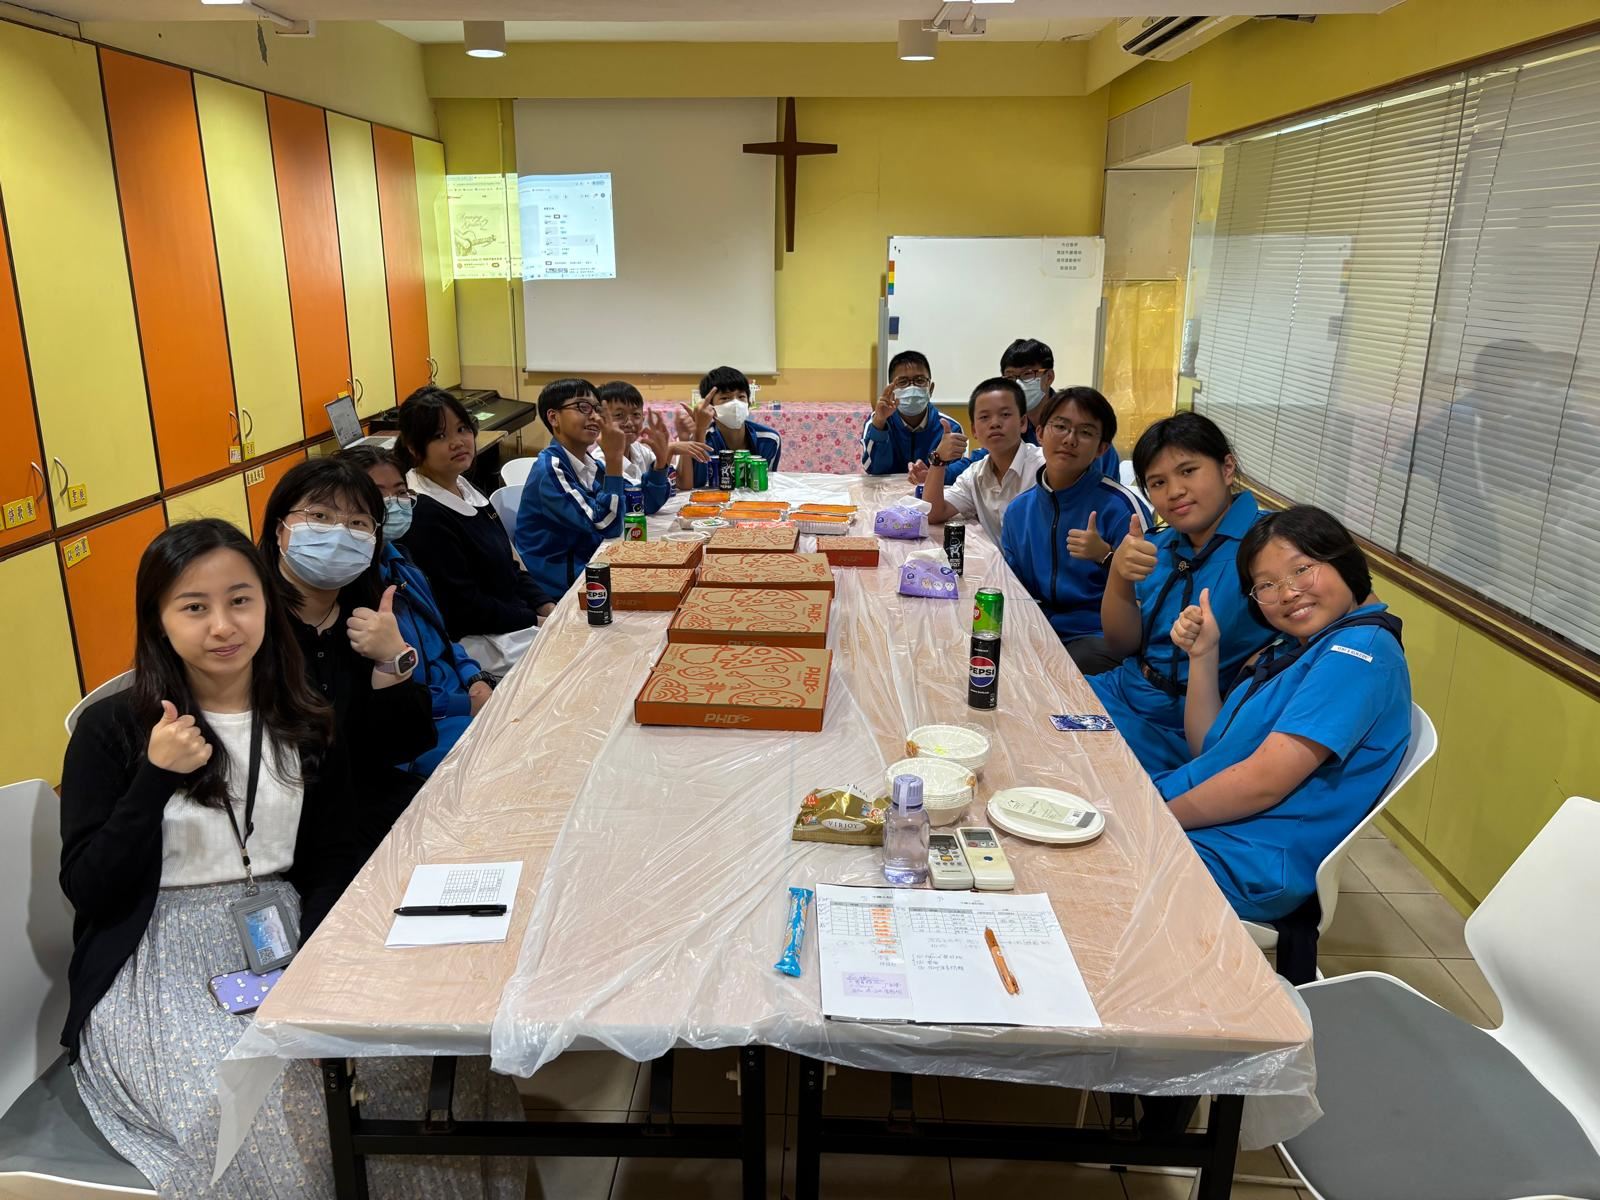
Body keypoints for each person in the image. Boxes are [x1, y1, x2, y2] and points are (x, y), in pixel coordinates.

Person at [60, 519, 521, 1198]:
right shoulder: (116, 730)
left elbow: (332, 854)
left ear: (267, 606)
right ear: (158, 621)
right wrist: (154, 779)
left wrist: (316, 954)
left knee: (428, 1057)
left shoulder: (303, 715)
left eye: (240, 601)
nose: (223, 626)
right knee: (272, 1109)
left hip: (287, 927)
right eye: (194, 607)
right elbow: (90, 888)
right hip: (156, 959)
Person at [1157, 506, 1412, 922]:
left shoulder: (1355, 655)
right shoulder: (1300, 645)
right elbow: (1209, 748)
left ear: (1343, 561)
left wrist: (1154, 820)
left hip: (1242, 860)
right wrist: (1203, 655)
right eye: (1267, 585)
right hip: (1212, 829)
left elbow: (1263, 784)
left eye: (1302, 570)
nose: (1289, 593)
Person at [257, 458, 437, 849]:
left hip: (372, 815)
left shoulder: (369, 618)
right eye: (319, 516)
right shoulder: (249, 627)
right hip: (287, 837)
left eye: (358, 522)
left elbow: (406, 744)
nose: (339, 534)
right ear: (279, 528)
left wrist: (392, 662)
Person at [1089, 412, 1273, 775]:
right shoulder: (1157, 543)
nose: (1174, 492)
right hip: (1123, 691)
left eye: (1188, 471)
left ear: (1227, 469)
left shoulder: (1270, 545)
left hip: (1186, 728)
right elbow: (1121, 644)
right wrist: (1119, 575)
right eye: (1158, 482)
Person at [341, 444, 496, 776]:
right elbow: (393, 697)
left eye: (400, 492)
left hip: (463, 698)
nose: (392, 504)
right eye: (377, 494)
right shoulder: (353, 590)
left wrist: (475, 678)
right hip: (429, 728)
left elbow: (442, 637)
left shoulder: (403, 563)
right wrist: (466, 704)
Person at [396, 386, 554, 675]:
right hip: (481, 642)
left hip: (513, 623)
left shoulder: (464, 487)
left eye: (462, 429)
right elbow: (464, 608)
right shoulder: (424, 513)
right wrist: (534, 619)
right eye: (440, 436)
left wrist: (547, 605)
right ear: (414, 448)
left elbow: (511, 566)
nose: (458, 442)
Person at [1000, 386, 1149, 673]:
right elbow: (1014, 588)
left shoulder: (1121, 508)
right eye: (1061, 426)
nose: (1070, 439)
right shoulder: (1019, 511)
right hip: (1038, 629)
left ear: (1102, 448)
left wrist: (1106, 556)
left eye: (1085, 432)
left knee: (1064, 668)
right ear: (1040, 433)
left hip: (1097, 636)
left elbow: (1149, 592)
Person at [516, 377, 668, 598]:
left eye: (597, 409)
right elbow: (607, 525)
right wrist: (614, 458)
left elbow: (642, 505)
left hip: (594, 565)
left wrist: (661, 463)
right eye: (583, 407)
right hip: (563, 586)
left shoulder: (590, 464)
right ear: (554, 417)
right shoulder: (550, 469)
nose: (595, 416)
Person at [924, 338, 1119, 486]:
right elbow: (984, 459)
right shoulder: (1012, 421)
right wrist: (935, 471)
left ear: (1049, 377)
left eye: (1027, 374)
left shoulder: (1074, 419)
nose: (1017, 384)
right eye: (1010, 377)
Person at [922, 377, 1041, 542]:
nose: (995, 423)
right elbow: (932, 513)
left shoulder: (1044, 467)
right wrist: (938, 460)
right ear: (974, 431)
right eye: (984, 417)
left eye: (1005, 414)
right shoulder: (975, 475)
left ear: (1022, 423)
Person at [595, 379, 707, 495]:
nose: (629, 423)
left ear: (643, 418)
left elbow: (682, 483)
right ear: (600, 420)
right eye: (619, 415)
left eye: (636, 414)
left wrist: (684, 438)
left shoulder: (639, 450)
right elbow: (642, 498)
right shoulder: (599, 461)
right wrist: (669, 450)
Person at [860, 350, 963, 476]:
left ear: (930, 389)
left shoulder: (950, 428)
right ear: (892, 389)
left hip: (930, 488)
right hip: (887, 489)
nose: (912, 388)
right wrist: (879, 425)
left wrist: (931, 471)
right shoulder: (876, 421)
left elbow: (956, 478)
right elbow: (873, 470)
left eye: (919, 380)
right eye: (902, 382)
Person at [678, 365, 782, 487]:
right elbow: (696, 485)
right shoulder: (701, 437)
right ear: (710, 407)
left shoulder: (769, 439)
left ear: (749, 403)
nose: (735, 403)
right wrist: (700, 431)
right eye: (725, 398)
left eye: (741, 397)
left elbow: (767, 483)